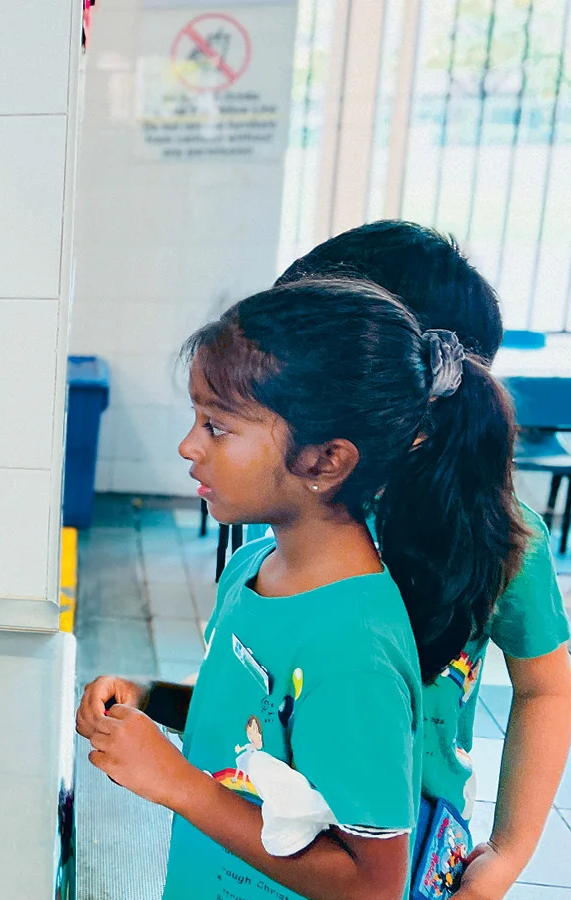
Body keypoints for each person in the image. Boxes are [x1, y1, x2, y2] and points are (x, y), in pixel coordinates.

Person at [78, 277, 528, 900]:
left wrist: (179, 784)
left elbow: (372, 884)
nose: (188, 446)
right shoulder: (257, 565)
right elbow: (262, 720)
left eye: (216, 426)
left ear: (324, 461)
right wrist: (151, 699)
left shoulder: (354, 646)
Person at [279, 221, 571, 899]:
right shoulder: (294, 500)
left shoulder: (499, 535)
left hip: (410, 854)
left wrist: (509, 851)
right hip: (274, 833)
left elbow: (546, 687)